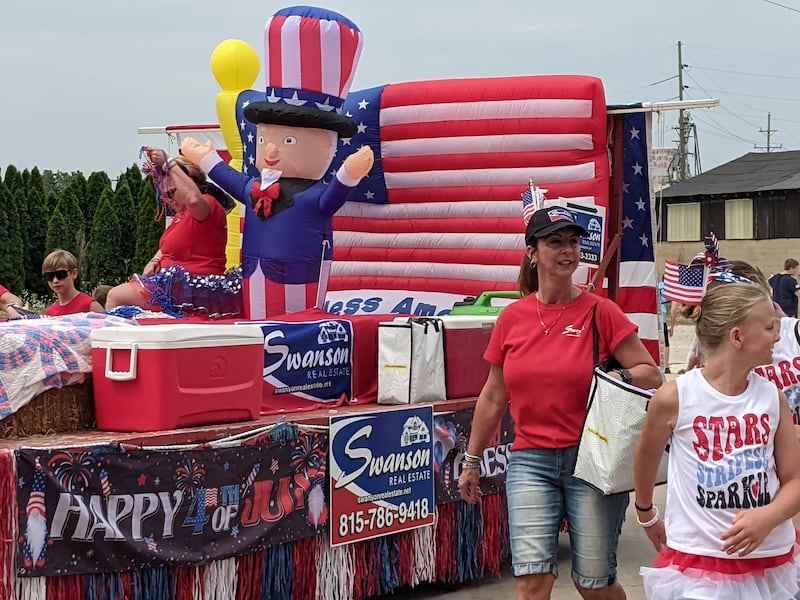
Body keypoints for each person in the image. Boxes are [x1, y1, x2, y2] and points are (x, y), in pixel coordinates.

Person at [457, 206, 662, 600]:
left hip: (592, 462)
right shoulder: (512, 318)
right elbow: (493, 396)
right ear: (533, 253)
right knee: (533, 582)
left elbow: (650, 372)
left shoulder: (602, 311)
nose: (568, 251)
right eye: (555, 242)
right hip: (530, 461)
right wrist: (471, 460)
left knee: (594, 583)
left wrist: (615, 376)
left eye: (573, 242)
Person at [634, 280, 800, 599]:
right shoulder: (675, 397)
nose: (777, 337)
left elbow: (794, 480)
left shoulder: (773, 399)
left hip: (769, 561)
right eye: (768, 327)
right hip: (699, 562)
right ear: (737, 337)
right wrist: (646, 513)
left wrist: (769, 517)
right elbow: (646, 458)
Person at [104, 150, 240, 318]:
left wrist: (169, 163)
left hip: (194, 288)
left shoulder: (206, 205)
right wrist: (155, 260)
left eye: (172, 192)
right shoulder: (179, 216)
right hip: (173, 285)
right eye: (164, 195)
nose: (168, 200)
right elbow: (168, 246)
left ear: (189, 182)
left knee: (115, 296)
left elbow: (193, 198)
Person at [42, 250, 103, 316]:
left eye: (61, 274)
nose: (55, 280)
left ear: (74, 273)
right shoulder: (50, 312)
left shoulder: (91, 306)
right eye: (49, 276)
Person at [658, 277, 673, 373]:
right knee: (665, 342)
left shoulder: (658, 286)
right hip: (662, 317)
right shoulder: (668, 289)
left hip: (653, 316)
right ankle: (666, 365)